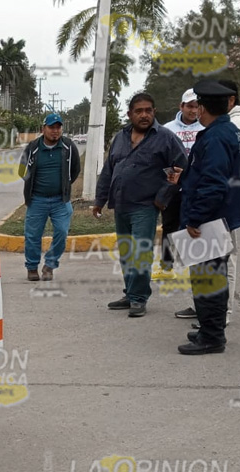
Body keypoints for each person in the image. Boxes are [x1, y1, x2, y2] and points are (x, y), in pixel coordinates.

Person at [93, 92, 187, 317]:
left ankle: (138, 298)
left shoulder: (165, 137)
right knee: (126, 253)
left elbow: (179, 167)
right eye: (139, 111)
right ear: (130, 114)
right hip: (121, 205)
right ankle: (130, 293)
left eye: (148, 110)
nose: (144, 115)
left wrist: (162, 198)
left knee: (141, 253)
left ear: (154, 112)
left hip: (145, 206)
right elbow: (109, 169)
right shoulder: (121, 137)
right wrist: (99, 200)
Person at [174, 80, 240, 355]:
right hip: (218, 217)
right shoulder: (228, 131)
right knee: (209, 278)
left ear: (204, 108)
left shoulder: (216, 137)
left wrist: (195, 217)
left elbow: (213, 183)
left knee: (208, 280)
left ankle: (213, 337)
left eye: (199, 107)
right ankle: (209, 329)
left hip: (210, 220)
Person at [19, 112, 81, 281]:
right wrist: (32, 186)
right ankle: (32, 267)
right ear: (43, 129)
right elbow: (21, 170)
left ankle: (50, 265)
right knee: (32, 235)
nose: (55, 131)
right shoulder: (32, 147)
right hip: (37, 200)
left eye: (58, 127)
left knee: (61, 231)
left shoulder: (68, 147)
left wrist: (65, 186)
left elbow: (75, 170)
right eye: (51, 127)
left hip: (60, 200)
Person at [159, 89, 204, 276]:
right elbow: (161, 157)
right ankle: (166, 261)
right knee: (169, 224)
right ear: (181, 106)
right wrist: (171, 178)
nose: (193, 111)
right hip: (173, 186)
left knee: (192, 224)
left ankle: (189, 260)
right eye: (189, 106)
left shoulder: (204, 128)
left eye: (196, 107)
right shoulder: (168, 129)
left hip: (195, 187)